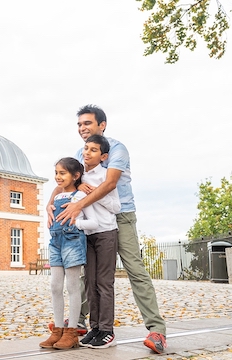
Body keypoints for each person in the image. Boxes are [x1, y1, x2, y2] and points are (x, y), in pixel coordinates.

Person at [48, 104, 168, 354]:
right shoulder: (80, 154)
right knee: (86, 271)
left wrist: (78, 203)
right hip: (89, 219)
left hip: (120, 216)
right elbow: (67, 182)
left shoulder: (116, 148)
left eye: (88, 124)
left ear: (102, 125)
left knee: (134, 269)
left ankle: (157, 329)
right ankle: (80, 322)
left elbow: (110, 182)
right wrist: (50, 204)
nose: (82, 129)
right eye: (80, 124)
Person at [39, 157, 100, 350]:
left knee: (73, 286)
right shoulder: (56, 197)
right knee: (55, 286)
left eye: (62, 173)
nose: (58, 177)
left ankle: (71, 332)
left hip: (73, 242)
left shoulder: (81, 197)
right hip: (55, 243)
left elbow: (94, 222)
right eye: (56, 173)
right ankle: (57, 330)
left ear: (76, 176)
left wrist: (76, 223)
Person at [76, 134, 121, 349]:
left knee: (104, 282)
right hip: (87, 235)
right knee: (89, 282)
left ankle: (107, 330)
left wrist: (94, 193)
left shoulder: (106, 176)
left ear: (103, 156)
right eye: (86, 148)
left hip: (105, 233)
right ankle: (94, 328)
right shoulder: (80, 178)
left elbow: (116, 208)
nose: (87, 152)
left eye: (93, 150)